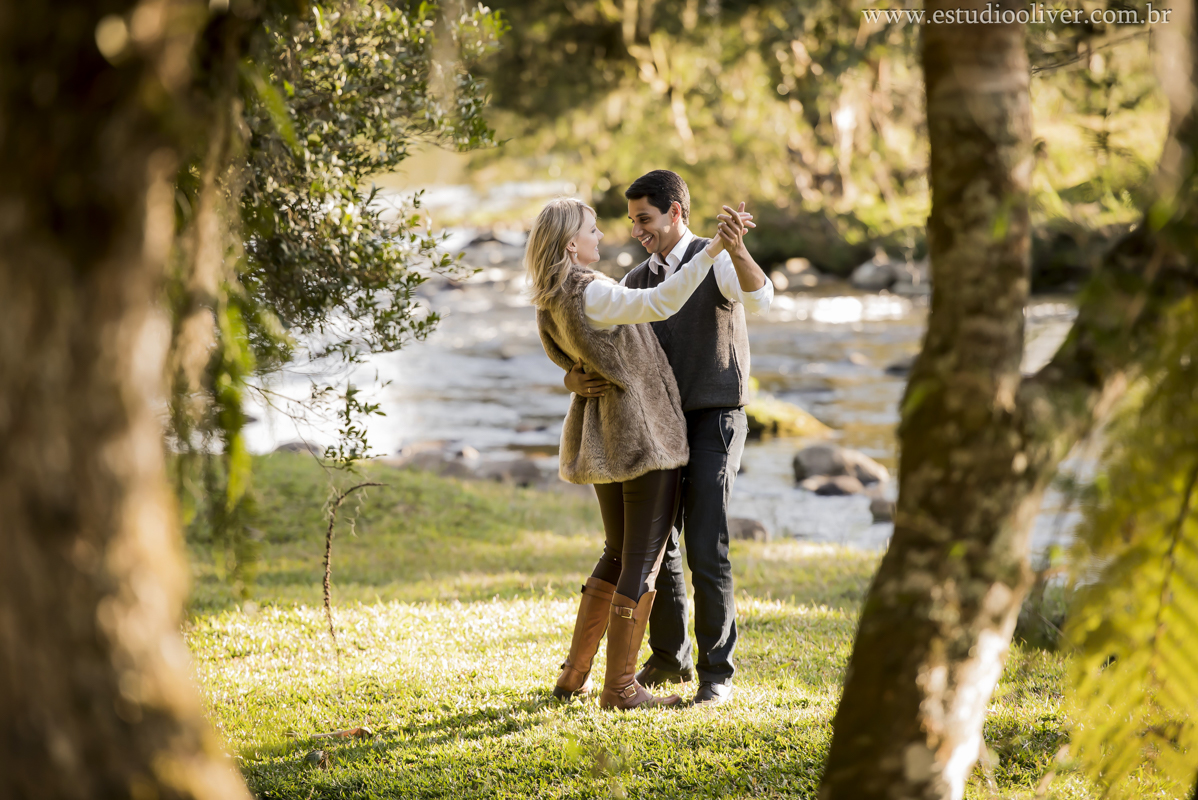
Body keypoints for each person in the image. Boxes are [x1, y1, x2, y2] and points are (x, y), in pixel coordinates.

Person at [528, 196, 748, 710]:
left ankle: (574, 676)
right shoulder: (593, 290)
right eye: (592, 229)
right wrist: (714, 247)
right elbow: (663, 301)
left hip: (603, 437)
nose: (602, 236)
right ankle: (621, 688)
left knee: (617, 551)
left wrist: (572, 378)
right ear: (570, 244)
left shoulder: (550, 297)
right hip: (642, 436)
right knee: (642, 561)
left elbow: (569, 356)